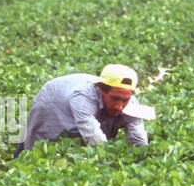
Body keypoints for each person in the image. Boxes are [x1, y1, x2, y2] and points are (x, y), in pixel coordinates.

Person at [15, 64, 155, 156]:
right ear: (101, 91)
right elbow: (92, 134)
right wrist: (108, 160)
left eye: (125, 100)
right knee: (42, 146)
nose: (119, 106)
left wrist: (143, 157)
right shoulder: (83, 97)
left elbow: (137, 135)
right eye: (115, 99)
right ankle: (16, 163)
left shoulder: (130, 100)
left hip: (77, 98)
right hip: (53, 101)